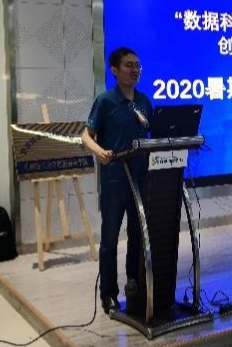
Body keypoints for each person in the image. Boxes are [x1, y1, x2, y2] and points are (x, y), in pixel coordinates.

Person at [81, 46, 153, 314]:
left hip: (140, 179)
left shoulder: (144, 101)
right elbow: (85, 135)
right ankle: (108, 293)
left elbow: (152, 135)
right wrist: (98, 151)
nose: (135, 70)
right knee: (110, 238)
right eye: (129, 65)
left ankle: (134, 284)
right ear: (114, 70)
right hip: (114, 180)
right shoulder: (106, 101)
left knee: (138, 235)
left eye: (137, 65)